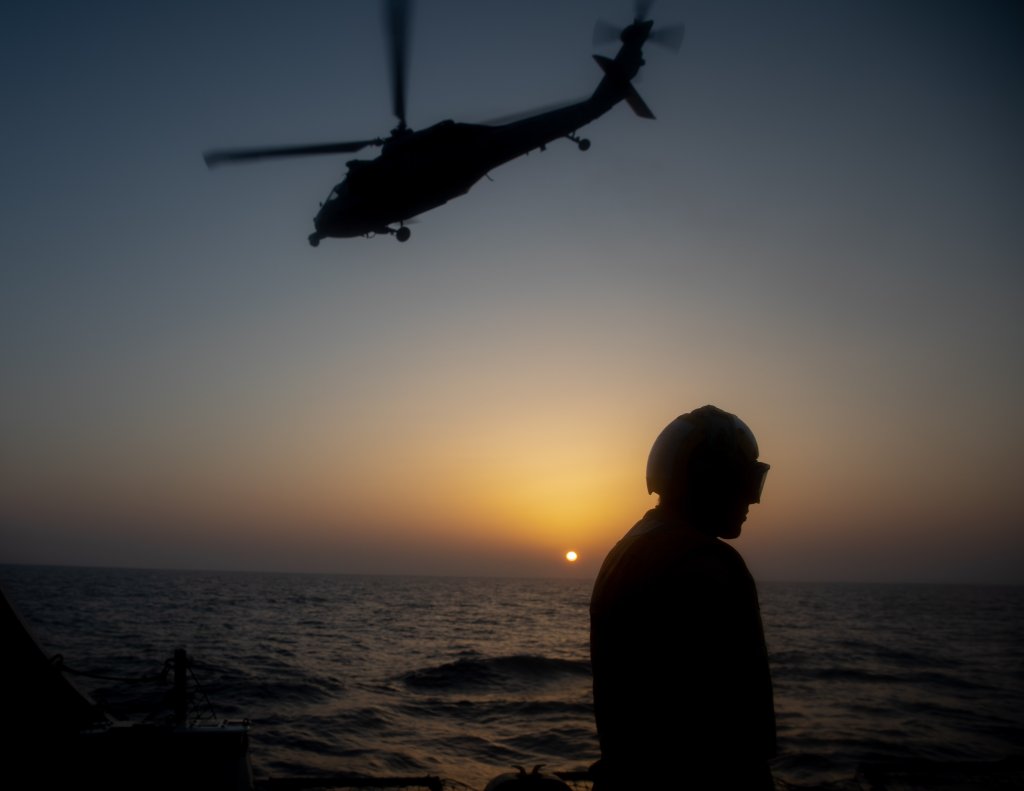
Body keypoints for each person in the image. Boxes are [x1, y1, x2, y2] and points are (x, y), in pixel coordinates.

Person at [590, 405, 776, 789]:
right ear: (709, 481)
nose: (751, 501)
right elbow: (735, 721)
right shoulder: (708, 563)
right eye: (742, 482)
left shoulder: (628, 549)